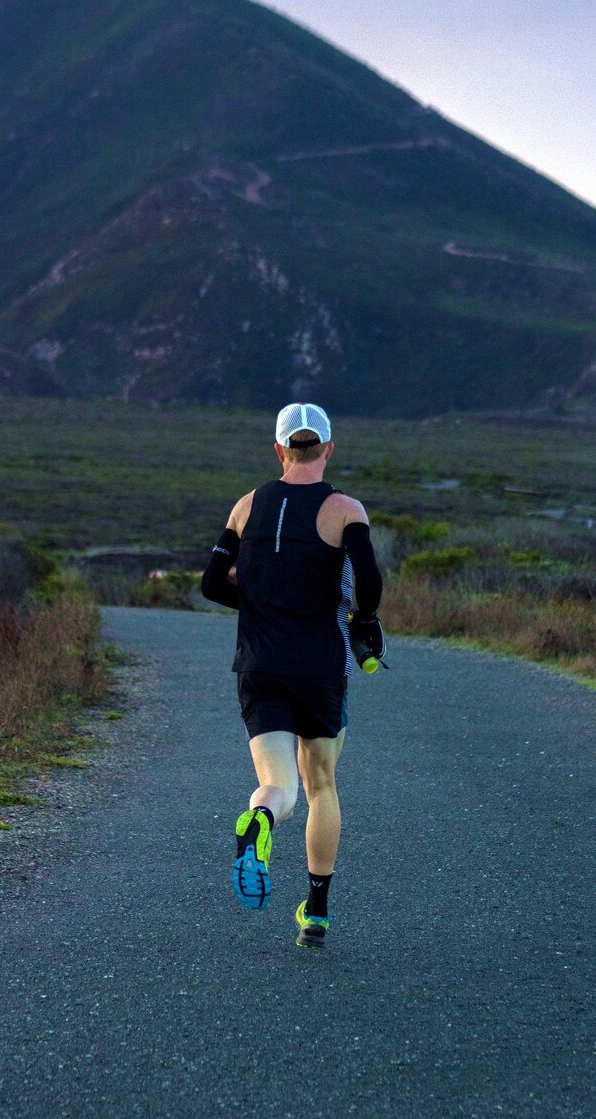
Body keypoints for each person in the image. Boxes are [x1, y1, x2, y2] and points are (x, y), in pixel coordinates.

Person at [201, 403, 385, 949]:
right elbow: (369, 585)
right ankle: (316, 913)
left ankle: (260, 820)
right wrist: (363, 621)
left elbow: (211, 583)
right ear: (328, 448)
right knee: (321, 784)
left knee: (277, 785)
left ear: (279, 449)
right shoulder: (345, 509)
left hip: (259, 664)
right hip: (320, 666)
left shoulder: (246, 505)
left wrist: (261, 607)